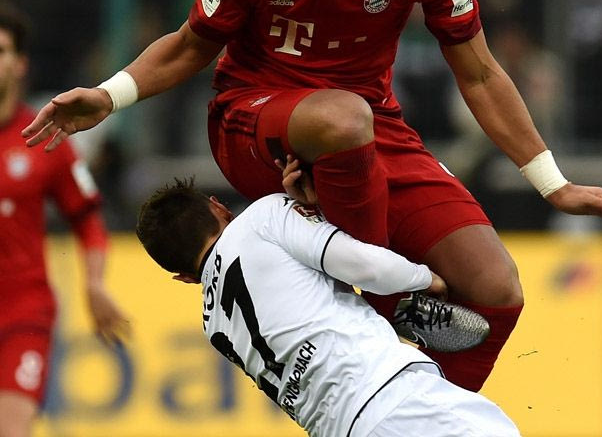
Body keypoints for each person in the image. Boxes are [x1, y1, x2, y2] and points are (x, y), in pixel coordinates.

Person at [22, 0, 602, 391]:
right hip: (251, 119)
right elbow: (190, 46)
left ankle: (418, 414)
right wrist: (109, 95)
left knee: (496, 290)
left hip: (369, 129)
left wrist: (553, 185)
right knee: (343, 119)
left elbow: (479, 72)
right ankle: (385, 303)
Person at [135, 164, 521, 437]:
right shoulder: (260, 218)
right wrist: (424, 278)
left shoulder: (213, 324)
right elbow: (362, 264)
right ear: (219, 207)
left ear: (184, 277)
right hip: (393, 401)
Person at [0, 0, 130, 437]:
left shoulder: (43, 137)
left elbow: (88, 217)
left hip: (23, 312)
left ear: (20, 64)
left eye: (0, 51)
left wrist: (94, 282)